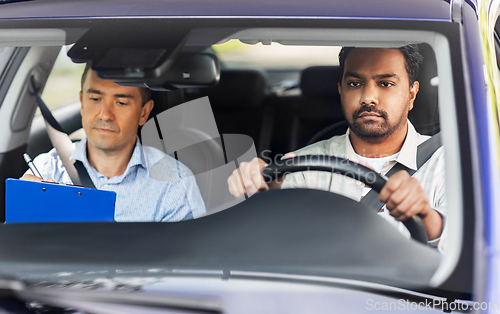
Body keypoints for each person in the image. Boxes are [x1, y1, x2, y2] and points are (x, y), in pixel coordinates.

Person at [227, 45, 446, 250]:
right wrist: (259, 197)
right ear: (341, 90)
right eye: (355, 83)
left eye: (385, 83)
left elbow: (468, 257)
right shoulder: (300, 167)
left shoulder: (448, 163)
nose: (368, 97)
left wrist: (426, 216)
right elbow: (273, 249)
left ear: (411, 94)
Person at [22, 63, 206, 222]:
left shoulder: (174, 184)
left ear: (144, 112)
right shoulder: (46, 170)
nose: (105, 114)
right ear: (82, 102)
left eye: (121, 103)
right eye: (95, 99)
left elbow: (185, 260)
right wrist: (25, 210)